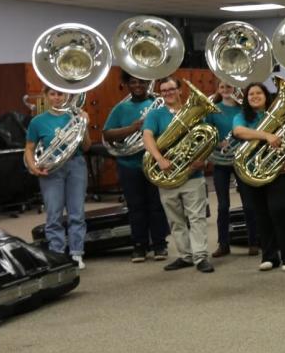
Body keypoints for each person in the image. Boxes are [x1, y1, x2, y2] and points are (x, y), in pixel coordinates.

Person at [142, 77, 213, 273]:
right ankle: (185, 255)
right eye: (163, 91)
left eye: (171, 89)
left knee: (197, 217)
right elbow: (147, 137)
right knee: (175, 220)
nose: (168, 93)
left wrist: (203, 160)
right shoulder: (155, 115)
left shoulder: (194, 113)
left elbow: (207, 138)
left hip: (193, 175)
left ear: (179, 90)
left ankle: (200, 257)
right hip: (167, 175)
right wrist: (159, 159)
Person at [102, 71, 170, 261]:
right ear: (127, 85)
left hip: (154, 163)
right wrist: (132, 128)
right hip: (129, 164)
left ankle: (159, 244)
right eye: (133, 82)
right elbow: (107, 134)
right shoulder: (120, 109)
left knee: (157, 205)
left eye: (141, 82)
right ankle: (139, 245)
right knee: (135, 207)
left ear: (148, 83)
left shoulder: (157, 105)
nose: (138, 85)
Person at [232, 82, 285, 272]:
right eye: (250, 94)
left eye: (258, 92)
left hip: (279, 170)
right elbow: (239, 132)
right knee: (260, 213)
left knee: (278, 209)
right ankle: (269, 256)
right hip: (251, 171)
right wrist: (267, 135)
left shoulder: (279, 114)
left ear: (266, 95)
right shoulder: (241, 116)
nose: (254, 96)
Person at [25, 88, 90, 268]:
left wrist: (84, 126)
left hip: (75, 165)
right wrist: (33, 167)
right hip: (51, 168)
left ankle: (77, 254)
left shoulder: (76, 117)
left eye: (60, 94)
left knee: (77, 212)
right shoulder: (37, 121)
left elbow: (86, 147)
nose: (56, 98)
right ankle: (57, 253)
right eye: (52, 94)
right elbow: (29, 149)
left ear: (66, 96)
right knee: (54, 213)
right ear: (45, 97)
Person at [206, 81, 258, 258]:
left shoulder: (243, 109)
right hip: (220, 160)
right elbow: (207, 131)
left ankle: (254, 242)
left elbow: (250, 130)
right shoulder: (213, 109)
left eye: (228, 87)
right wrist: (217, 141)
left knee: (249, 203)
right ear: (218, 89)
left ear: (235, 89)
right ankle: (223, 244)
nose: (225, 90)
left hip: (240, 159)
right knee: (223, 205)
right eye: (222, 87)